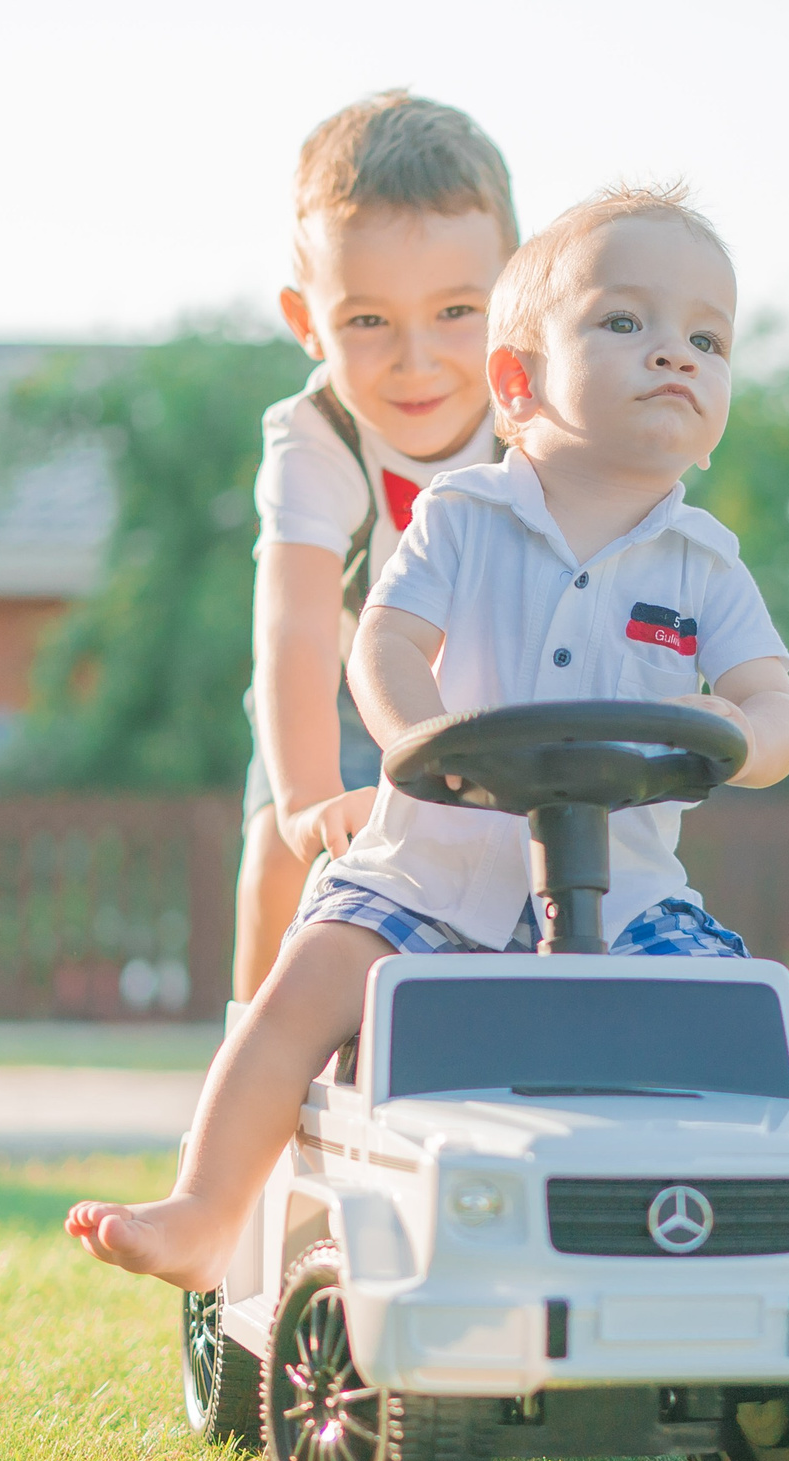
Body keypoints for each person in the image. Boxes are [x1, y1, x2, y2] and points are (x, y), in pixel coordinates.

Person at [70, 184, 789, 1291]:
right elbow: (385, 646)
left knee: (737, 1026)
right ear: (516, 382)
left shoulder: (707, 564)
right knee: (302, 986)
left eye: (707, 337)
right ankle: (204, 1212)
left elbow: (778, 713)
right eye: (626, 323)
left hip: (630, 896)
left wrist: (739, 732)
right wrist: (424, 741)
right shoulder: (461, 518)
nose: (674, 355)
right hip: (427, 874)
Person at [234, 91, 519, 1000]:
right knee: (282, 849)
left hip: (488, 684)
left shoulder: (542, 423)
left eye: (456, 312)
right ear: (305, 320)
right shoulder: (318, 437)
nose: (416, 358)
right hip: (343, 697)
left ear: (518, 296)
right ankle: (251, 1053)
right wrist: (308, 800)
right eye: (367, 321)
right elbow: (297, 635)